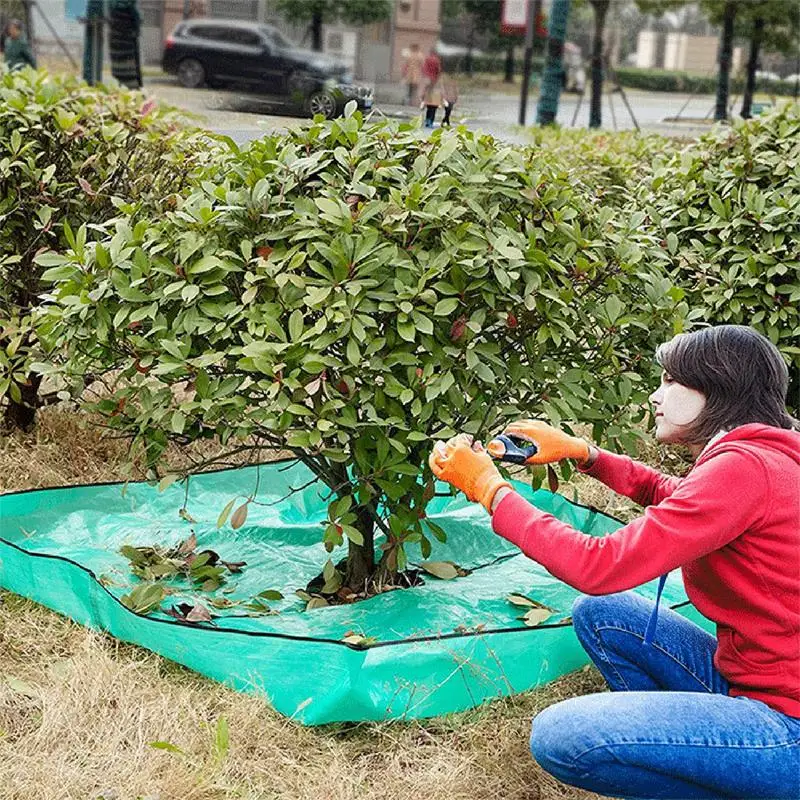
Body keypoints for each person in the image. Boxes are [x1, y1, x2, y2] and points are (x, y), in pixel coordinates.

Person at [429, 325, 800, 800]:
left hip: (786, 724)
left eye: (671, 381)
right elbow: (673, 495)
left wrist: (491, 490)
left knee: (565, 736)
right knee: (605, 617)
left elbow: (598, 566)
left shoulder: (745, 468)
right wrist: (584, 453)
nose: (655, 396)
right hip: (754, 682)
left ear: (716, 388)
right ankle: (695, 753)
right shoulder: (767, 455)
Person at [108, 0, 142, 89]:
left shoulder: (113, 7)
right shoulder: (128, 8)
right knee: (127, 71)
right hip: (125, 38)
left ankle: (123, 89)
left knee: (120, 72)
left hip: (117, 35)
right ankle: (131, 90)